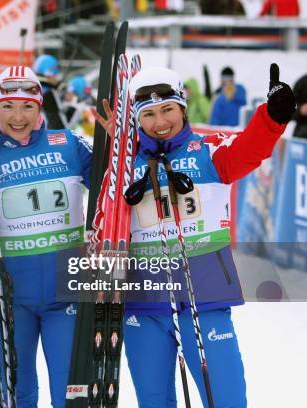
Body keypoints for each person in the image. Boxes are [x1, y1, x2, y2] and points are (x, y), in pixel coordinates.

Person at [95, 64, 294, 407]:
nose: (160, 122)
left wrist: (271, 119)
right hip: (143, 305)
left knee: (227, 399)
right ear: (136, 119)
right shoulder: (121, 164)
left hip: (205, 300)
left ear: (183, 107)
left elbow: (248, 151)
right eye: (149, 114)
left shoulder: (209, 151)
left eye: (168, 110)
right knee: (154, 401)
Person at [0, 66, 95, 407]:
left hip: (67, 292)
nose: (18, 117)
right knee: (19, 391)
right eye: (8, 107)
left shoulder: (69, 144)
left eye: (27, 106)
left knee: (70, 392)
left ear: (40, 106)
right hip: (13, 296)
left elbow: (110, 189)